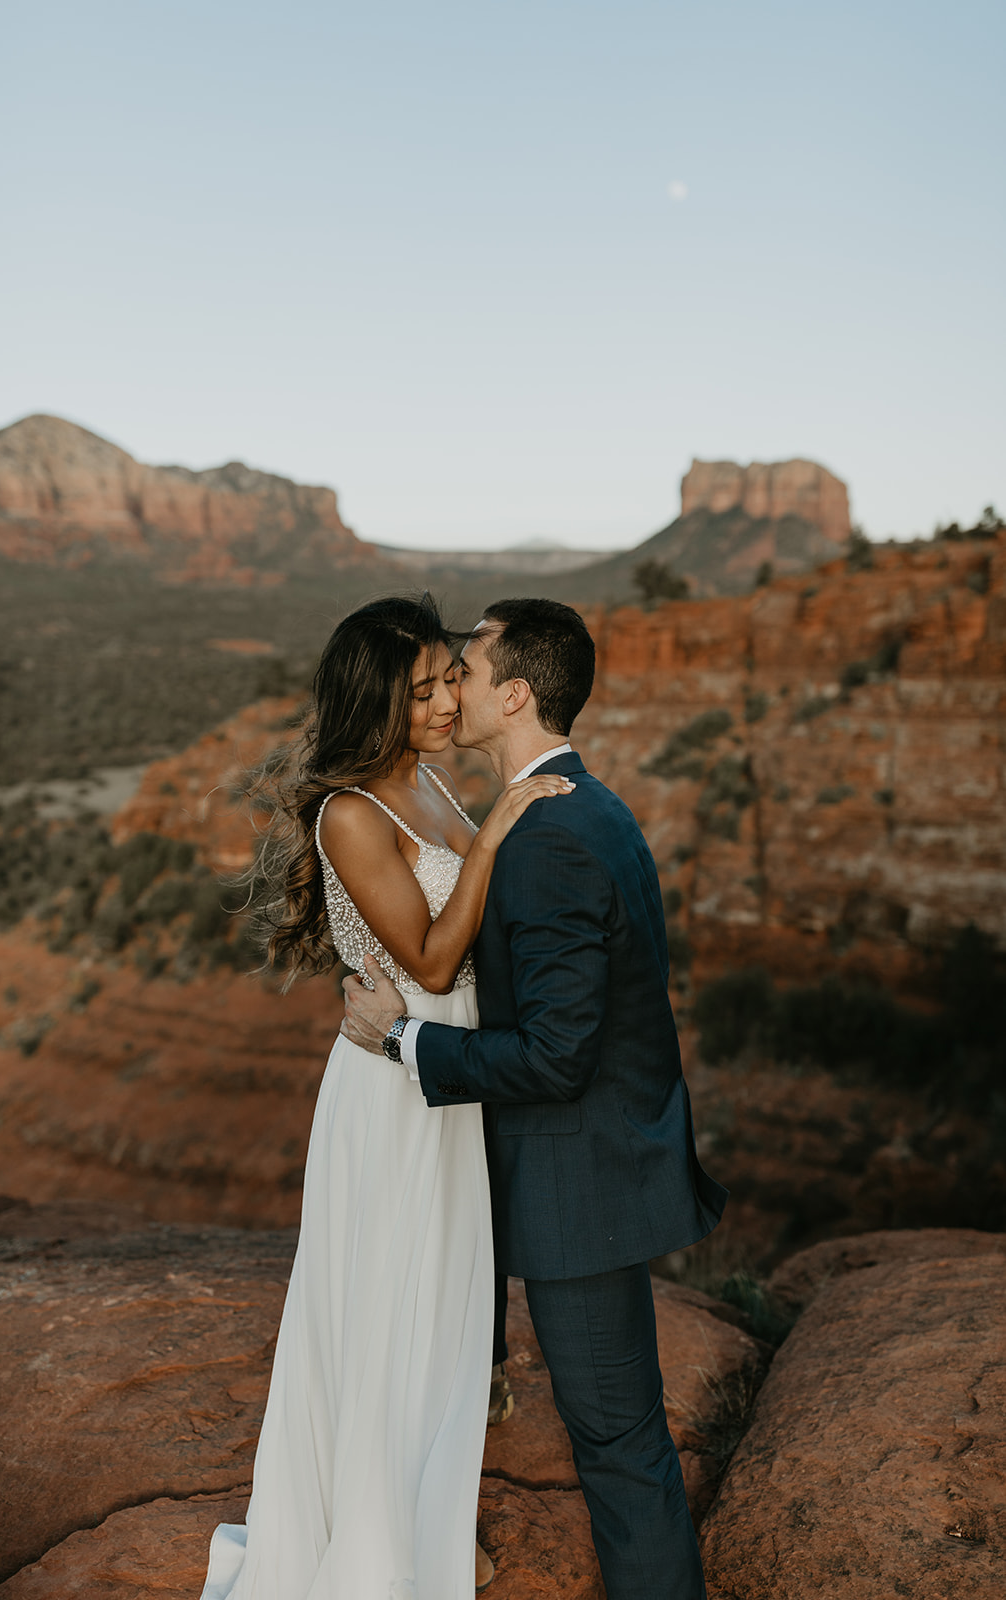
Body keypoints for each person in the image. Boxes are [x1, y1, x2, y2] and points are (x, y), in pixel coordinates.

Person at [342, 597, 728, 1600]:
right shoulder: (580, 802)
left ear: (513, 692)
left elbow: (556, 1057)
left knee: (617, 1443)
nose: (449, 688)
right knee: (618, 1432)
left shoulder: (547, 833)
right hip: (594, 1163)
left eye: (463, 669)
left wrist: (400, 1038)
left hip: (578, 1184)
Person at [199, 593, 574, 1600]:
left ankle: (424, 1517)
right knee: (388, 1309)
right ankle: (372, 1549)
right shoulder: (353, 812)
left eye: (450, 675)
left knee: (445, 1305)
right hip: (392, 1097)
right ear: (375, 705)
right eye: (421, 693)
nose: (447, 702)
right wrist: (495, 835)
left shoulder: (434, 789)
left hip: (446, 1077)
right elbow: (436, 963)